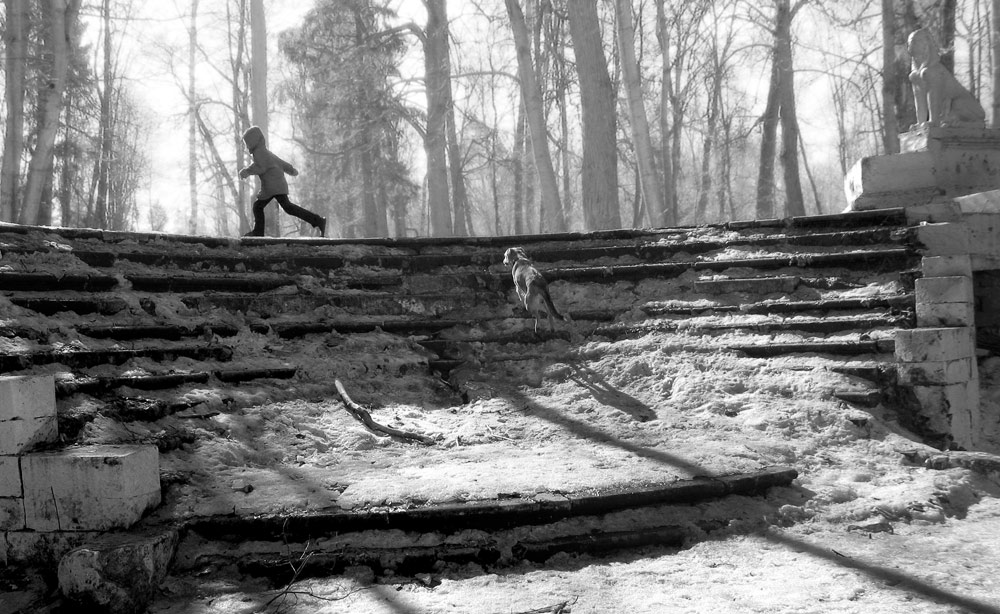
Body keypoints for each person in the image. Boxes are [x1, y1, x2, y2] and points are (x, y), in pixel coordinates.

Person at [239, 125, 326, 237]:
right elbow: (279, 162)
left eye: (247, 143)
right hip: (277, 184)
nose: (247, 146)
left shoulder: (259, 152)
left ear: (252, 141)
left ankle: (258, 231)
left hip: (273, 186)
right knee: (288, 208)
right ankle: (318, 221)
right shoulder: (264, 151)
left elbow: (260, 167)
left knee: (258, 206)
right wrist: (290, 169)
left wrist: (246, 171)